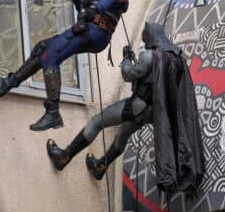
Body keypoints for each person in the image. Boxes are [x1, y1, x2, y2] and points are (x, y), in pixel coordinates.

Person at [46, 23, 205, 195]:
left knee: (96, 122)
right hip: (153, 114)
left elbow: (128, 75)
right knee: (122, 135)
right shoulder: (175, 57)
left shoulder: (149, 56)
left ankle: (64, 157)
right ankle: (101, 167)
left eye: (145, 37)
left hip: (137, 106)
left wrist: (126, 60)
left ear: (150, 36)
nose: (144, 41)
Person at [0, 0, 129, 131]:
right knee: (43, 48)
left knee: (50, 54)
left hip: (95, 31)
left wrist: (92, 10)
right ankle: (7, 84)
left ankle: (52, 112)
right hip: (92, 30)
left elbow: (105, 3)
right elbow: (86, 11)